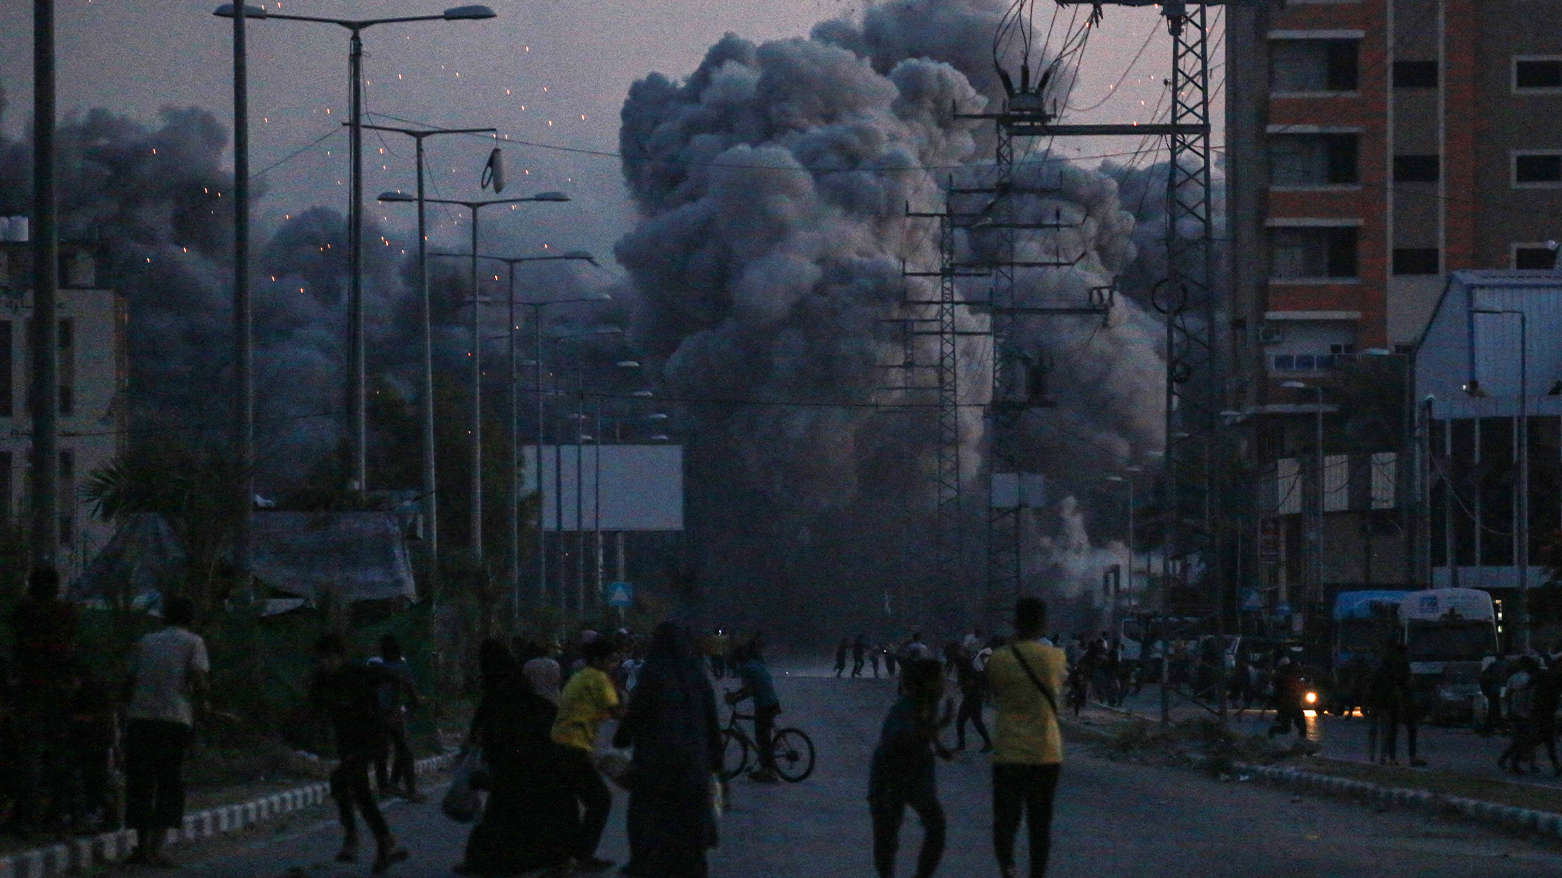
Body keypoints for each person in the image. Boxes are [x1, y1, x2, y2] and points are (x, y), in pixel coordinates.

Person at [455, 640, 577, 876]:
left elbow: (487, 720)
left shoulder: (497, 686)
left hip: (510, 759)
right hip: (529, 755)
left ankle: (487, 860)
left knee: (501, 811)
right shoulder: (523, 686)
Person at [614, 622, 722, 878]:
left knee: (641, 813)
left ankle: (639, 862)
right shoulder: (697, 674)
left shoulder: (653, 671)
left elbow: (636, 711)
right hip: (694, 767)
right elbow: (711, 723)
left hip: (655, 767)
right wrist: (717, 766)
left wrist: (622, 736)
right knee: (694, 824)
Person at [308, 633, 408, 874]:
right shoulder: (322, 679)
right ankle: (386, 844)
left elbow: (397, 679)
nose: (325, 664)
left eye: (329, 659)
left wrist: (394, 709)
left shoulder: (360, 672)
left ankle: (352, 839)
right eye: (321, 660)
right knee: (361, 793)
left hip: (371, 739)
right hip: (347, 743)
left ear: (339, 657)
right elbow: (314, 707)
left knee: (339, 779)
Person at [122, 595, 207, 867]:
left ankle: (140, 845)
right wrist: (204, 704)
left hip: (141, 719)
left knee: (141, 782)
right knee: (170, 782)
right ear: (189, 618)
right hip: (175, 720)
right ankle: (157, 847)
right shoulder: (194, 643)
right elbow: (199, 681)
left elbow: (129, 681)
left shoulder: (145, 642)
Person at [984, 598, 1067, 878]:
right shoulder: (1055, 657)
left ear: (1015, 622)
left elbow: (996, 694)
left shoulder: (998, 658)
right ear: (1043, 623)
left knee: (1005, 819)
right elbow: (1058, 694)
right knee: (1040, 823)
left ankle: (1008, 867)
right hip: (1046, 751)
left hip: (1009, 750)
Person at [868, 658, 951, 878]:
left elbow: (926, 730)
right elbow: (901, 740)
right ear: (924, 683)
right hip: (888, 777)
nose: (944, 684)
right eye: (939, 679)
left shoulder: (929, 703)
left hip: (917, 774)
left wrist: (939, 747)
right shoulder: (904, 708)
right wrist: (942, 724)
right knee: (887, 839)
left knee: (937, 828)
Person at [10, 567, 78, 831]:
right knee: (59, 754)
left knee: (29, 755)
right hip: (59, 689)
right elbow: (70, 648)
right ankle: (55, 814)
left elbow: (19, 645)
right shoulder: (67, 612)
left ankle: (27, 815)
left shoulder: (24, 611)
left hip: (30, 689)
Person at [551, 638, 622, 872]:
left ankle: (568, 857)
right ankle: (581, 857)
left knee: (572, 805)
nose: (615, 664)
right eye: (611, 660)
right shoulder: (598, 678)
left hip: (560, 744)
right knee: (600, 801)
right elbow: (617, 711)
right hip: (573, 746)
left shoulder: (579, 676)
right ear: (598, 660)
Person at [369, 635, 423, 801]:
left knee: (381, 752)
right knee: (404, 751)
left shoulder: (375, 667)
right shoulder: (402, 668)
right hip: (395, 715)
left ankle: (384, 787)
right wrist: (417, 702)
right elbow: (412, 693)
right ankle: (411, 790)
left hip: (377, 715)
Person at [726, 643, 783, 782]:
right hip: (772, 702)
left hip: (764, 705)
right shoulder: (755, 664)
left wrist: (735, 698)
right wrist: (736, 694)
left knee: (762, 739)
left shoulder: (745, 669)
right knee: (764, 736)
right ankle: (767, 763)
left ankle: (768, 772)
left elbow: (749, 690)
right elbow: (751, 686)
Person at [1498, 655, 1539, 774]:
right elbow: (1530, 697)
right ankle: (1511, 763)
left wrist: (1508, 709)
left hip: (1515, 711)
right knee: (1522, 740)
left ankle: (1509, 761)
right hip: (1523, 713)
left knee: (1519, 739)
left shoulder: (1514, 677)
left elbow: (1506, 695)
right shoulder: (1528, 678)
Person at [952, 645, 992, 753]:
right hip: (974, 696)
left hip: (973, 697)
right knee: (975, 721)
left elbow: (976, 681)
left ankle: (963, 745)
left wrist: (969, 686)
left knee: (963, 721)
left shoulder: (967, 668)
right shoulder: (968, 666)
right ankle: (986, 743)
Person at [1531, 657, 1562, 776]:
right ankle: (1514, 756)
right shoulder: (1550, 677)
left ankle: (1556, 766)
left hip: (1547, 713)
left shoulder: (1549, 677)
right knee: (1545, 740)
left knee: (1546, 740)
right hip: (1542, 713)